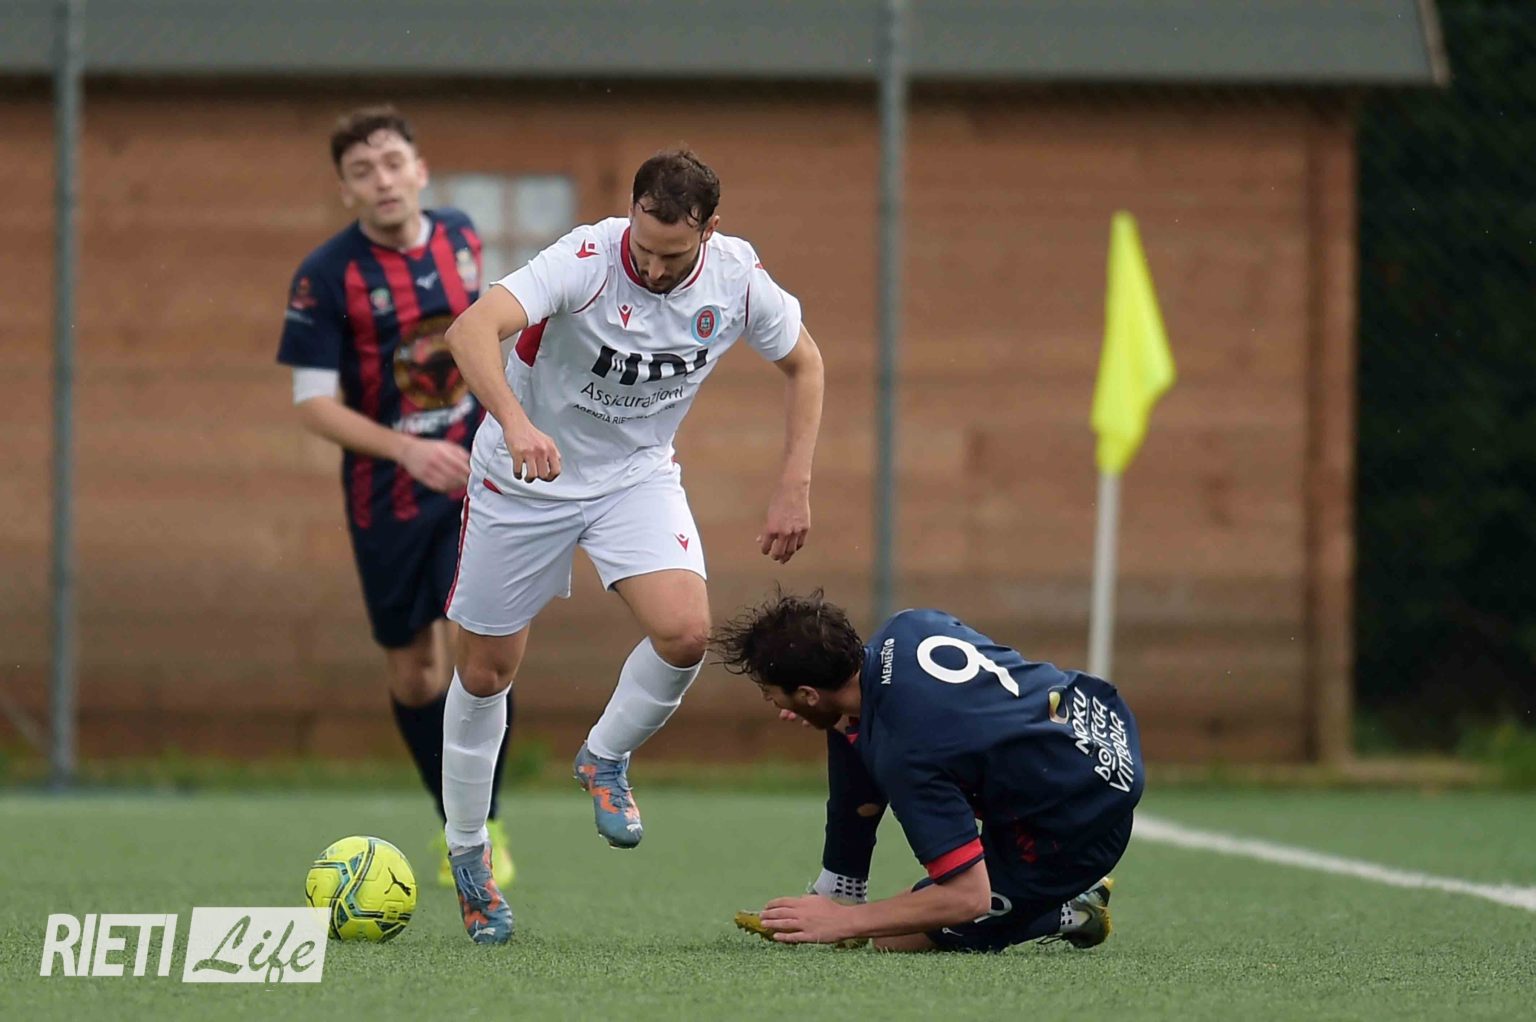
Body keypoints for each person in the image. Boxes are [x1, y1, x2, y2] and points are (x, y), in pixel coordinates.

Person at [438, 149, 825, 944]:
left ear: (709, 232)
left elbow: (805, 363)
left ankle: (604, 758)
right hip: (524, 477)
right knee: (484, 673)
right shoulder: (585, 258)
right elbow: (470, 329)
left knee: (686, 633)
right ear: (631, 214)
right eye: (643, 246)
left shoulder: (737, 279)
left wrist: (795, 480)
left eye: (671, 255)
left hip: (634, 477)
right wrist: (516, 422)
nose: (650, 266)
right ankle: (469, 855)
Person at [276, 105, 513, 889]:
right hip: (388, 492)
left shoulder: (462, 237)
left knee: (481, 647)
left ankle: (481, 829)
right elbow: (314, 404)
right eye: (361, 171)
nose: (381, 180)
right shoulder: (325, 276)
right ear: (345, 189)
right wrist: (408, 448)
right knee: (416, 674)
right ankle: (453, 816)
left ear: (419, 170)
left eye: (391, 163)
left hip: (478, 478)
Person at [716, 590, 1143, 953]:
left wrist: (842, 923)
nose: (779, 710)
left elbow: (967, 897)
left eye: (775, 698)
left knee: (895, 938)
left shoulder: (907, 752)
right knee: (852, 724)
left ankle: (1072, 908)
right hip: (1092, 720)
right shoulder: (908, 624)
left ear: (809, 694)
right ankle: (841, 885)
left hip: (1083, 822)